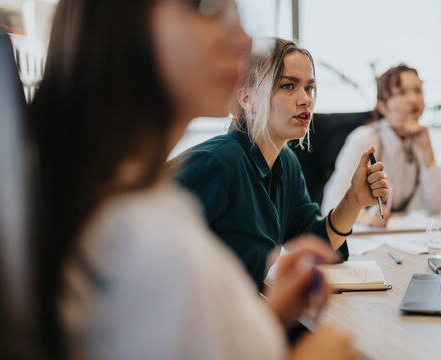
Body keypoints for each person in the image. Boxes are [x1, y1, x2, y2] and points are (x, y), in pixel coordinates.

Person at [29, 0, 358, 359]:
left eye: (309, 87)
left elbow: (194, 334)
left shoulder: (153, 203)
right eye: (205, 7)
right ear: (124, 22)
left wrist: (275, 314)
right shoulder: (136, 231)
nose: (244, 38)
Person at [175, 38, 389, 287]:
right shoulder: (217, 163)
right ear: (247, 98)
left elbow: (314, 243)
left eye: (309, 88)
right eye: (288, 86)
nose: (305, 99)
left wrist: (354, 200)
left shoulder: (286, 162)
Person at [321, 64, 441, 227]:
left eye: (418, 90)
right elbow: (330, 204)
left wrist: (427, 148)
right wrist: (366, 217)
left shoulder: (418, 140)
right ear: (382, 105)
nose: (413, 99)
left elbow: (437, 204)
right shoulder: (364, 139)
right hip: (362, 236)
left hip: (396, 236)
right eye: (401, 92)